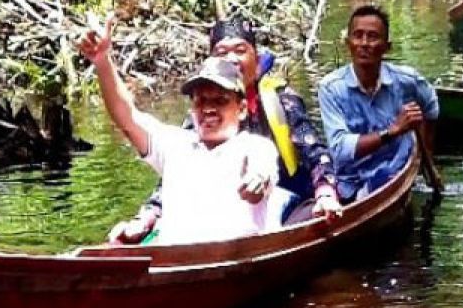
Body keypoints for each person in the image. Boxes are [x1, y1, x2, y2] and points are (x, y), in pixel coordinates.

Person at [108, 16, 342, 244]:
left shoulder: (276, 112)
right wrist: (147, 216)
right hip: (202, 219)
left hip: (283, 202)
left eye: (240, 50)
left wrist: (324, 193)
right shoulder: (185, 138)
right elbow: (171, 175)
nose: (231, 59)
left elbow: (289, 160)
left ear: (256, 58)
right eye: (222, 53)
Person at [78, 18, 290, 245]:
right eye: (201, 101)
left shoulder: (255, 146)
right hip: (172, 259)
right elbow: (126, 117)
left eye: (220, 100)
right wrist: (102, 60)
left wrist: (257, 180)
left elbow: (262, 170)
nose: (208, 109)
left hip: (234, 258)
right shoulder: (175, 144)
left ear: (241, 109)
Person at [318, 5, 441, 202]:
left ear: (386, 46)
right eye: (358, 36)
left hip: (395, 170)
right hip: (350, 181)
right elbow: (340, 149)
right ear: (347, 43)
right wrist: (393, 131)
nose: (364, 43)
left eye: (373, 37)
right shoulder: (331, 88)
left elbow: (431, 105)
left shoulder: (406, 80)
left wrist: (426, 156)